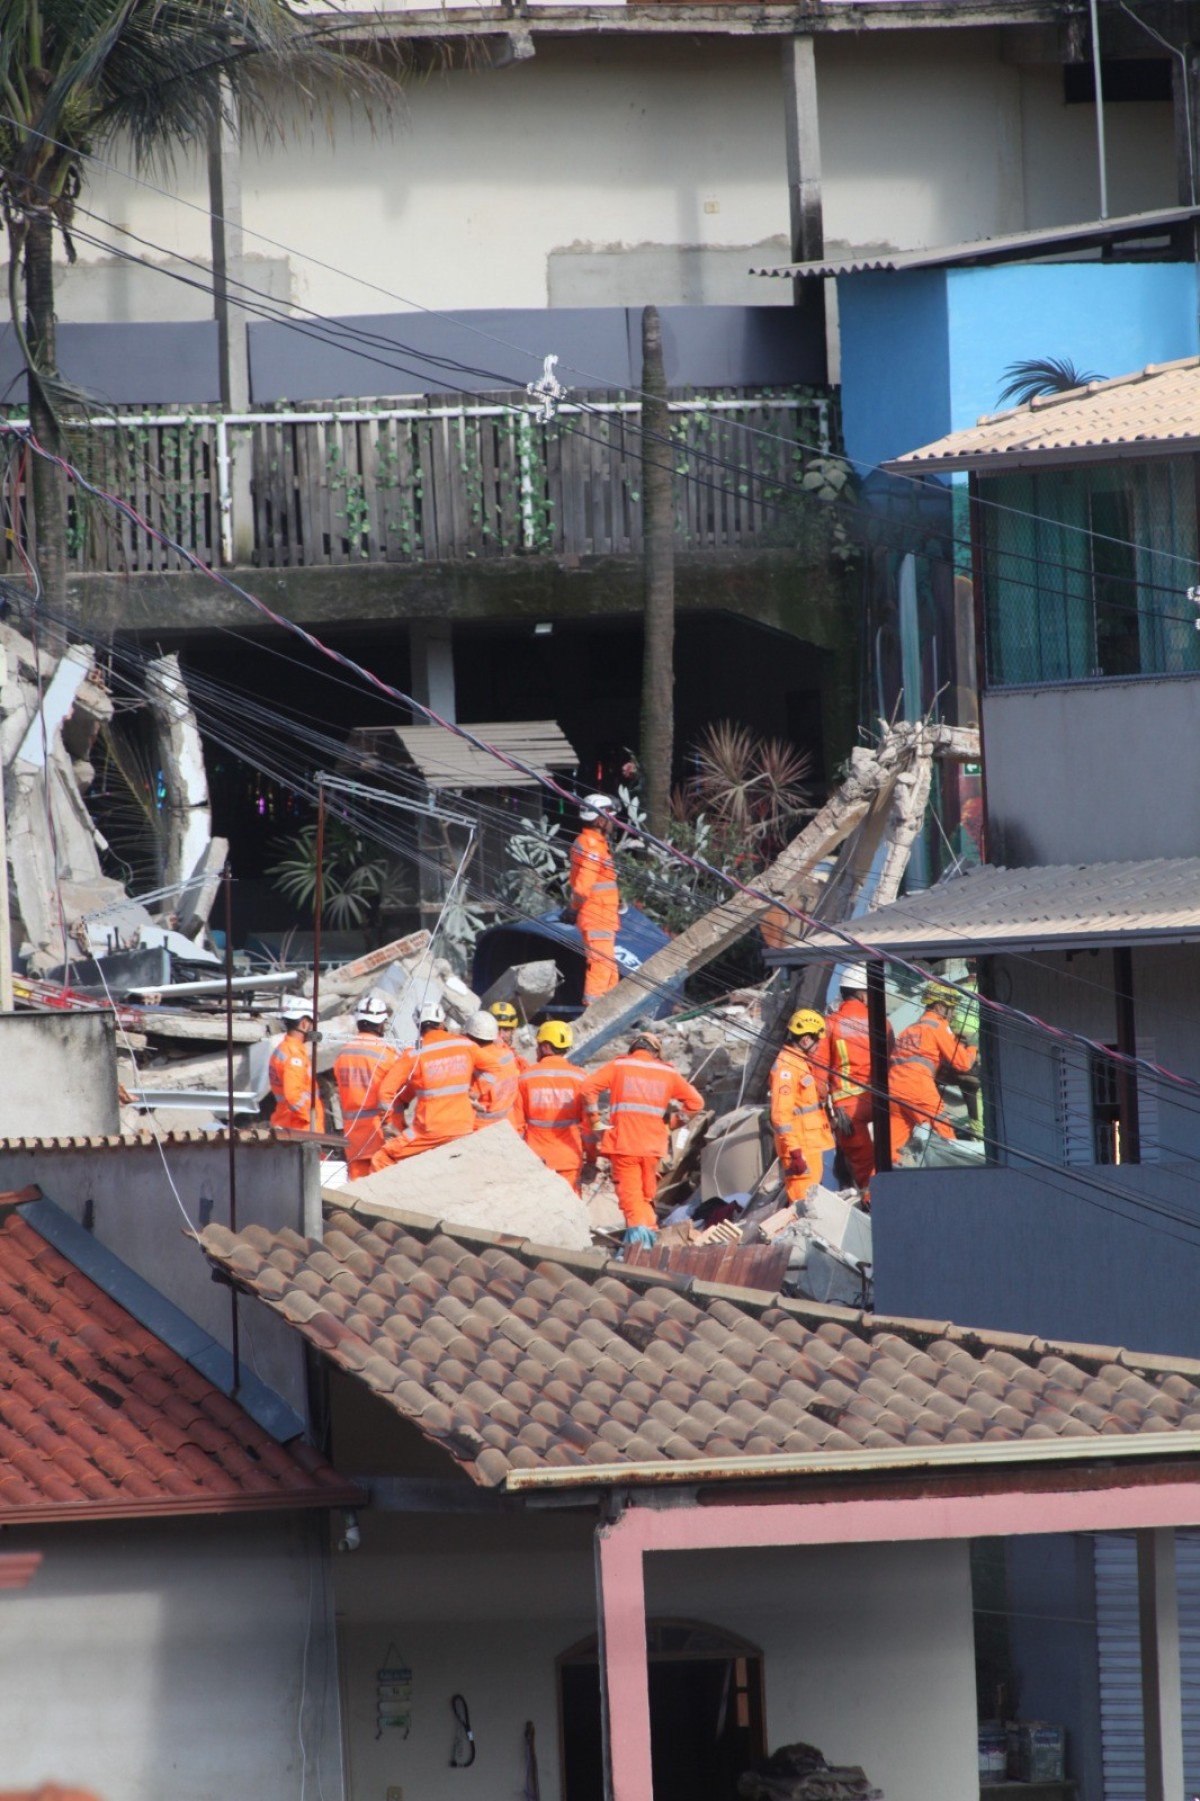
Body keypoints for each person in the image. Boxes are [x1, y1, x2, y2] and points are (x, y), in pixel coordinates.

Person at [583, 1030, 704, 1246]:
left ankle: (640, 1247)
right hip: (652, 1147)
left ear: (633, 1049)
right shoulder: (667, 1072)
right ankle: (651, 1239)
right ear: (656, 1053)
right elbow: (696, 1103)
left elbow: (587, 1088)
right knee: (645, 1198)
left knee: (632, 1199)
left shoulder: (619, 1066)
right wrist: (673, 1122)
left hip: (625, 1144)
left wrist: (595, 1121)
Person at [370, 1002, 489, 1169]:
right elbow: (494, 1068)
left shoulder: (414, 1054)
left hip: (428, 1130)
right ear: (442, 1023)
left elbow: (385, 1092)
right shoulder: (465, 1045)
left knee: (383, 1158)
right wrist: (475, 1092)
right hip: (463, 1126)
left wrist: (388, 1123)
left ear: (417, 1025)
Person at [824, 964, 893, 1192]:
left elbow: (819, 1071)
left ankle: (869, 1197)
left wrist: (827, 1111)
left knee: (861, 1160)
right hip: (880, 1099)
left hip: (847, 1107)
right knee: (889, 1153)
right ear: (863, 995)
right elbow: (891, 1058)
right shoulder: (882, 1023)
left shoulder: (831, 1023)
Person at [889, 982, 978, 1156]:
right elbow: (963, 1063)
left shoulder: (909, 1029)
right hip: (918, 1086)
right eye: (951, 1008)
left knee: (892, 1145)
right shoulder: (938, 1026)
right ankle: (954, 1167)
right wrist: (973, 1047)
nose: (953, 1013)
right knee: (945, 1132)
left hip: (892, 1089)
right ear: (939, 1006)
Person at [518, 1020, 595, 1192]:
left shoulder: (525, 1078)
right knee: (569, 1206)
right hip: (569, 1158)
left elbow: (517, 1126)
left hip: (535, 1159)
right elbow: (589, 1128)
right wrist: (591, 1160)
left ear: (546, 1047)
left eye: (538, 1045)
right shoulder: (581, 1079)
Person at [769, 1009, 836, 1203]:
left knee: (811, 1201)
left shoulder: (798, 1062)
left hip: (808, 1145)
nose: (819, 1044)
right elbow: (780, 1115)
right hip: (800, 1148)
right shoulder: (787, 1067)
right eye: (817, 1039)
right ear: (806, 1039)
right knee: (802, 1205)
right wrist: (795, 1152)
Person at [332, 993, 400, 1178]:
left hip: (353, 1134)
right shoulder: (386, 1054)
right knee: (382, 1185)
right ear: (380, 1023)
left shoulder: (343, 1053)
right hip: (378, 1132)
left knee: (357, 1186)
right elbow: (397, 1091)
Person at [569, 793, 621, 1002]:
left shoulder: (591, 843)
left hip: (601, 916)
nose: (613, 823)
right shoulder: (592, 847)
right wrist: (573, 908)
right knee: (601, 966)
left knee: (608, 968)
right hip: (596, 916)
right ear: (600, 820)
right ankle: (594, 1012)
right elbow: (583, 887)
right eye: (610, 818)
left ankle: (612, 1010)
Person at [269, 995, 325, 1134]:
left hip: (287, 1122)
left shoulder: (283, 1049)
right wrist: (311, 1117)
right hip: (299, 1128)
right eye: (312, 1024)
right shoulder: (294, 1055)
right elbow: (293, 1095)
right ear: (304, 1024)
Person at [467, 1010, 523, 1130]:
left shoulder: (476, 1062)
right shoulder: (507, 1054)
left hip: (481, 1128)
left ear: (469, 1035)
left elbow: (470, 1097)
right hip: (508, 1124)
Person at [488, 1000, 530, 1071]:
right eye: (497, 1029)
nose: (501, 1035)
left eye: (506, 1029)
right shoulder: (476, 1053)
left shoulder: (519, 1062)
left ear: (513, 1030)